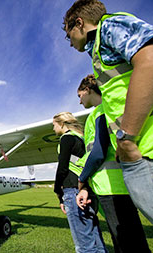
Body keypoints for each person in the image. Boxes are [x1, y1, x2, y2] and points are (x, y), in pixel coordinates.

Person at [63, 0, 153, 223]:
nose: (70, 42)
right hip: (137, 152)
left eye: (69, 35)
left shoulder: (110, 26)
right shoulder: (98, 50)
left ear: (80, 23)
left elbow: (150, 60)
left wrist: (126, 138)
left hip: (143, 148)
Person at [75, 74, 150, 253]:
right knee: (131, 241)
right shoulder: (104, 110)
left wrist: (82, 179)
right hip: (118, 185)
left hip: (112, 188)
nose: (79, 101)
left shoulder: (100, 112)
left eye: (79, 96)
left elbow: (98, 152)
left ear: (87, 90)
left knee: (127, 244)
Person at [53, 112, 107, 253]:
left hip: (72, 190)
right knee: (96, 238)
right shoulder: (82, 139)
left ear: (62, 124)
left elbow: (62, 168)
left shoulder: (66, 139)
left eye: (54, 125)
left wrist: (58, 191)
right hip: (86, 190)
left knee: (84, 244)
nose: (53, 129)